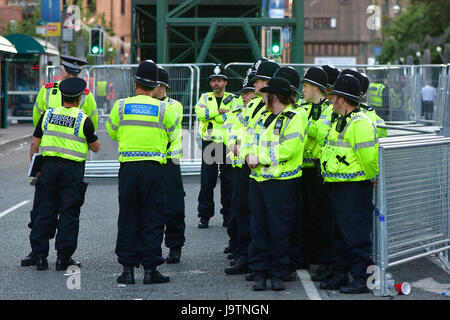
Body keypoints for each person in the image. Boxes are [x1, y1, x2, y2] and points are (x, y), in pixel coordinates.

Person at [106, 59, 179, 285]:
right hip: (154, 168)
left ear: (135, 82)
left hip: (128, 168)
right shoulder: (164, 109)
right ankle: (150, 270)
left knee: (128, 216)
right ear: (156, 85)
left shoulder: (120, 106)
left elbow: (113, 133)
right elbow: (172, 134)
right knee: (153, 217)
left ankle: (127, 270)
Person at [21, 55, 98, 267]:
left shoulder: (47, 91)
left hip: (48, 161)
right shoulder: (86, 95)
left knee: (43, 208)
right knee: (68, 210)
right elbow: (92, 124)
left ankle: (38, 253)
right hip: (73, 163)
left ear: (62, 71)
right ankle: (63, 257)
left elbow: (38, 121)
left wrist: (34, 164)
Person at [241, 77, 307, 291]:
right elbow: (247, 140)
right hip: (259, 181)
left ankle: (278, 272)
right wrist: (247, 154)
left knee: (279, 229)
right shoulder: (263, 117)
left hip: (281, 182)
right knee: (258, 227)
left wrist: (257, 157)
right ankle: (260, 271)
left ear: (274, 96)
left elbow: (288, 149)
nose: (263, 97)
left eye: (266, 94)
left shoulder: (296, 117)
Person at [319, 74, 379, 294]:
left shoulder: (360, 123)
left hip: (354, 188)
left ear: (342, 100)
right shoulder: (341, 120)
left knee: (356, 236)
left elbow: (370, 158)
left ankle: (363, 279)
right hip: (338, 186)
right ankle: (341, 272)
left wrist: (373, 178)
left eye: (334, 97)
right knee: (339, 233)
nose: (331, 100)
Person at [298, 66, 334, 271]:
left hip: (319, 170)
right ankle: (305, 255)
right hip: (303, 168)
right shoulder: (304, 108)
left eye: (305, 86)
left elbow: (321, 134)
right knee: (303, 214)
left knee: (319, 215)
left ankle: (321, 258)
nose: (302, 90)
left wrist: (304, 122)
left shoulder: (329, 109)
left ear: (314, 87)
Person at [194, 64, 237, 229]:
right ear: (210, 83)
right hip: (210, 143)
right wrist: (218, 113)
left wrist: (212, 116)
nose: (216, 84)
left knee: (229, 182)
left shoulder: (233, 99)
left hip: (227, 144)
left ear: (225, 82)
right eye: (214, 81)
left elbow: (233, 117)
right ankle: (204, 216)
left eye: (219, 80)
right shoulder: (204, 98)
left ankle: (228, 215)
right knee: (207, 181)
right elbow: (200, 114)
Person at [223, 68, 255, 275]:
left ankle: (246, 251)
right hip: (238, 167)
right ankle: (238, 247)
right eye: (243, 93)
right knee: (236, 209)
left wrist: (240, 145)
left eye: (248, 92)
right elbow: (227, 134)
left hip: (253, 165)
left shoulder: (259, 114)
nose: (243, 96)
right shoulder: (236, 113)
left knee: (248, 212)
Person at [153, 67, 186, 264]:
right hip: (150, 161)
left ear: (163, 87)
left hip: (169, 162)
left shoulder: (175, 105)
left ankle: (175, 246)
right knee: (152, 207)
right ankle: (152, 247)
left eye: (153, 84)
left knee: (174, 206)